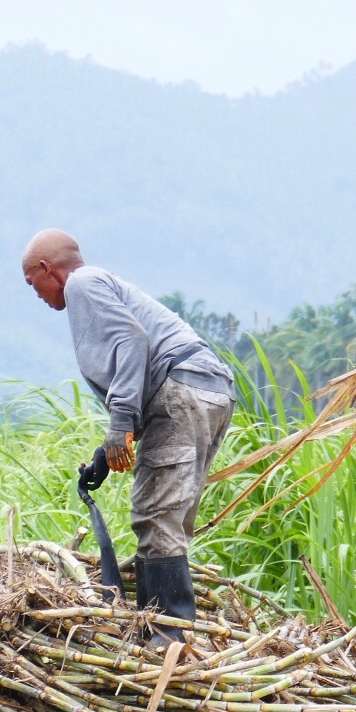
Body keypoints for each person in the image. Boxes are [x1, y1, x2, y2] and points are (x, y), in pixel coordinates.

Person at [21, 229, 235, 643]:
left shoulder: (82, 283)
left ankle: (167, 638)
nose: (39, 297)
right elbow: (138, 365)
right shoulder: (101, 286)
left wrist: (120, 421)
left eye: (34, 285)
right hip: (203, 390)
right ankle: (161, 629)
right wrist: (108, 451)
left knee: (155, 513)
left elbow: (132, 342)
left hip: (182, 390)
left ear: (49, 270)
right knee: (168, 515)